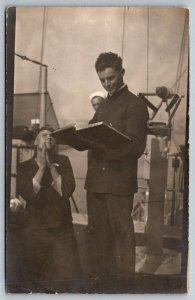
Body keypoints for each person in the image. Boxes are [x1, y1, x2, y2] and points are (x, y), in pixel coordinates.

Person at [85, 52, 149, 279]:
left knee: (122, 239)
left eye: (110, 78)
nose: (106, 84)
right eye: (102, 80)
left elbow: (136, 147)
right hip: (96, 184)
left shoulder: (135, 105)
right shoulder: (103, 105)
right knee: (99, 238)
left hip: (118, 184)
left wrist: (103, 147)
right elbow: (93, 133)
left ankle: (124, 288)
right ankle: (104, 286)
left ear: (122, 73)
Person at [17, 125, 83, 292]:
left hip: (62, 230)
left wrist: (51, 167)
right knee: (29, 276)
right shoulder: (24, 167)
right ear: (35, 142)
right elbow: (29, 194)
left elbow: (66, 191)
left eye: (52, 136)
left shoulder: (63, 161)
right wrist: (42, 168)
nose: (49, 137)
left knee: (71, 279)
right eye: (44, 135)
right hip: (36, 229)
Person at [85, 91, 105, 234]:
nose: (96, 107)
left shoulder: (107, 119)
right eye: (94, 105)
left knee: (101, 196)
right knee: (91, 194)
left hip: (104, 162)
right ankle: (92, 223)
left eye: (99, 104)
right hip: (93, 162)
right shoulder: (93, 120)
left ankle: (99, 225)